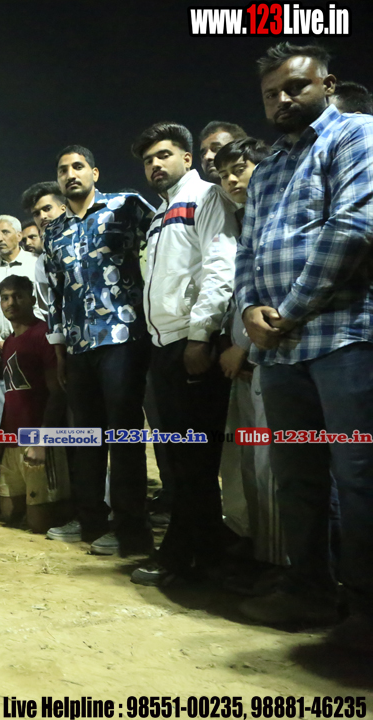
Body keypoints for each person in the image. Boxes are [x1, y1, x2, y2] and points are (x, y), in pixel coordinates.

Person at [235, 44, 373, 642]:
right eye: (272, 94)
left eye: (295, 87)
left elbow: (353, 229)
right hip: (281, 352)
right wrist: (248, 308)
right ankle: (309, 588)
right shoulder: (267, 167)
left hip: (343, 337)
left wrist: (286, 312)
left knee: (359, 475)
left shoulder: (356, 135)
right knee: (298, 477)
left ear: (327, 84)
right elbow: (248, 249)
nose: (283, 100)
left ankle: (364, 609)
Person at [128, 122, 240, 586]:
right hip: (164, 345)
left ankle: (179, 555)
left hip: (191, 344)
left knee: (193, 461)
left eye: (164, 155)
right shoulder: (161, 213)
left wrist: (200, 336)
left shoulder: (206, 197)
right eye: (148, 160)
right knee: (179, 460)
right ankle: (208, 556)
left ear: (188, 158)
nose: (156, 164)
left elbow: (220, 267)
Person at [36, 145, 155, 556]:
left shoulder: (127, 206)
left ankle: (131, 531)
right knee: (85, 436)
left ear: (95, 172)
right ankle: (90, 519)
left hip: (123, 338)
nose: (71, 174)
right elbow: (54, 293)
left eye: (78, 166)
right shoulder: (53, 231)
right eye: (63, 169)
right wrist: (59, 347)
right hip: (78, 344)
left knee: (123, 435)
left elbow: (166, 245)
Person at [213, 135, 288, 580]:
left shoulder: (279, 215)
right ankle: (258, 551)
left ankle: (281, 567)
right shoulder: (241, 222)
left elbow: (274, 298)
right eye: (223, 175)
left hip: (270, 359)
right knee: (248, 464)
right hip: (242, 367)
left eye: (239, 169)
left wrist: (245, 347)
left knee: (272, 467)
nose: (231, 180)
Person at [0, 275, 71, 531]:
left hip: (38, 439)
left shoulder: (44, 335)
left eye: (18, 296)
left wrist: (43, 440)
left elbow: (57, 392)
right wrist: (1, 440)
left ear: (32, 299)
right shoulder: (9, 342)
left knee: (39, 524)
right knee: (8, 515)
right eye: (5, 298)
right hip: (13, 440)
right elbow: (10, 396)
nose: (11, 303)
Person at [0, 214, 37, 354]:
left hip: (33, 343)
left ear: (19, 236)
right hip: (0, 348)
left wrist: (31, 336)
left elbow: (41, 305)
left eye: (5, 232)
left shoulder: (36, 263)